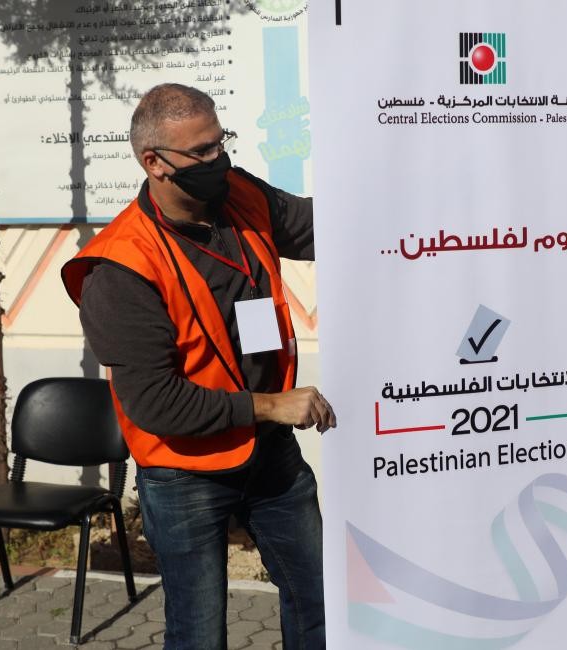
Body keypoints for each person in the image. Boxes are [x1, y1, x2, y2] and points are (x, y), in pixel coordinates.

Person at [61, 83, 335, 650]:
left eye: (220, 142)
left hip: (269, 453)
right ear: (154, 162)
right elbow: (155, 403)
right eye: (202, 152)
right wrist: (271, 405)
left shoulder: (241, 195)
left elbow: (318, 228)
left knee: (322, 603)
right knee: (199, 632)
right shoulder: (120, 269)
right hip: (185, 473)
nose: (220, 160)